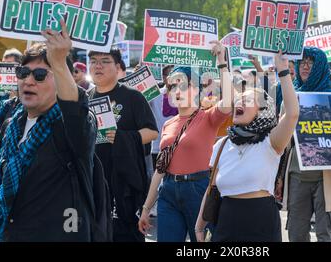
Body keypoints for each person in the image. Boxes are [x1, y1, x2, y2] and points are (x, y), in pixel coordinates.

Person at [0, 21, 97, 241]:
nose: (28, 81)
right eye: (23, 73)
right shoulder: (10, 125)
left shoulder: (72, 127)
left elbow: (75, 111)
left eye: (40, 75)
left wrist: (59, 62)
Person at [194, 50, 299, 242]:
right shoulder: (223, 144)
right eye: (240, 99)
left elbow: (292, 114)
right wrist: (200, 225)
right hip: (226, 221)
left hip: (261, 222)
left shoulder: (271, 141)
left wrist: (283, 71)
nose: (240, 101)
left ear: (262, 111)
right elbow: (212, 188)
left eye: (249, 100)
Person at [138, 41, 232, 242]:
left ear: (196, 89)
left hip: (198, 190)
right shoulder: (168, 124)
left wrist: (222, 63)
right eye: (172, 86)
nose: (176, 90)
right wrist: (146, 208)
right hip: (168, 192)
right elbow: (160, 169)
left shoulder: (208, 117)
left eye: (183, 85)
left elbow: (229, 101)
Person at [276, 47, 331, 242]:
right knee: (296, 234)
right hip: (297, 176)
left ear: (321, 66)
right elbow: (281, 142)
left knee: (325, 234)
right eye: (302, 62)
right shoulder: (289, 99)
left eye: (311, 62)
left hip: (328, 176)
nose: (305, 66)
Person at [88, 49, 159, 242]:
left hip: (125, 183)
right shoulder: (85, 99)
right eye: (93, 61)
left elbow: (152, 132)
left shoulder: (132, 96)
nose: (98, 66)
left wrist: (121, 138)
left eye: (105, 61)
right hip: (92, 181)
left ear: (118, 67)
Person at [147, 65, 178, 217]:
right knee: (157, 177)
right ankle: (152, 205)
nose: (172, 77)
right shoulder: (156, 94)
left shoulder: (189, 95)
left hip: (181, 147)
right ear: (164, 77)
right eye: (168, 74)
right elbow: (141, 99)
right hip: (158, 145)